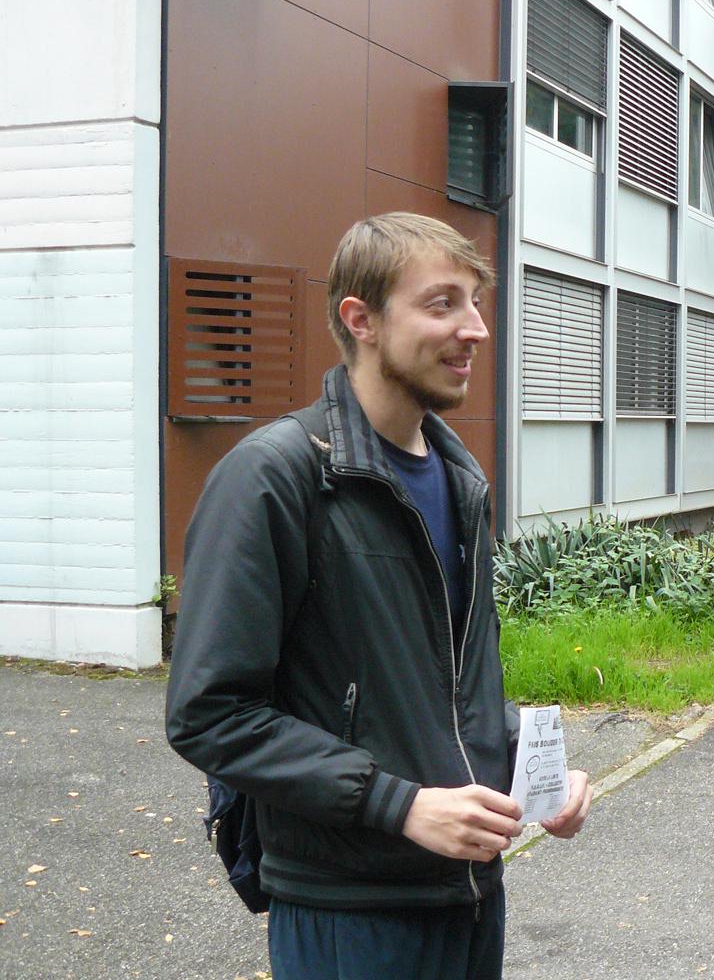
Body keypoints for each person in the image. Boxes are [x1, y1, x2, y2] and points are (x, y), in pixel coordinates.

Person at [166, 213, 592, 979]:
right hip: (349, 911)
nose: (476, 330)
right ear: (360, 319)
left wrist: (535, 771)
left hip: (467, 894)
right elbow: (210, 715)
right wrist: (398, 805)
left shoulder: (460, 480)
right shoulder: (275, 478)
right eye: (442, 305)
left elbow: (436, 690)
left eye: (475, 302)